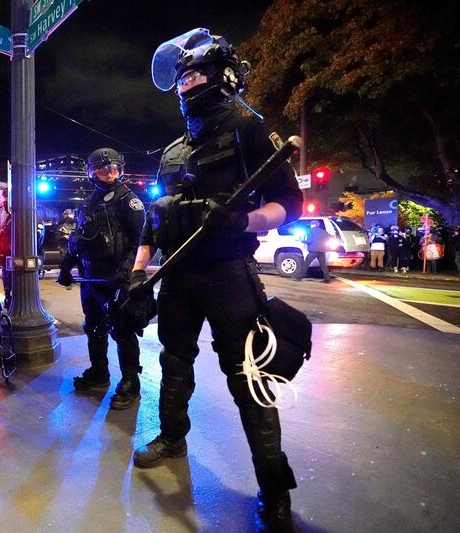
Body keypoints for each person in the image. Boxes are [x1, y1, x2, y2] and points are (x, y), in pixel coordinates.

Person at [128, 30, 304, 531]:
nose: (188, 84)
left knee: (249, 376)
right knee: (174, 358)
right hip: (179, 274)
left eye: (198, 74)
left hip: (229, 272)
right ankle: (172, 436)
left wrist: (243, 222)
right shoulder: (173, 151)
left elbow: (288, 204)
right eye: (183, 76)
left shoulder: (251, 128)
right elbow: (155, 219)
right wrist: (138, 273)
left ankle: (273, 487)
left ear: (223, 76)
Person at [56, 147, 145, 410]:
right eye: (104, 169)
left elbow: (143, 241)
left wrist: (127, 271)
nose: (110, 173)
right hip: (91, 279)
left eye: (114, 168)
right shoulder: (88, 204)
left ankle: (130, 382)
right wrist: (66, 267)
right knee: (94, 327)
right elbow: (78, 241)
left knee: (123, 330)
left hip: (117, 280)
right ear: (92, 172)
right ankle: (99, 372)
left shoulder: (129, 201)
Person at [0, 189, 12, 307]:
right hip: (6, 253)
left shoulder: (14, 217)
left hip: (12, 253)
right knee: (6, 274)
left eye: (6, 203)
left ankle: (9, 297)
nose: (4, 205)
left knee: (9, 275)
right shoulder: (6, 217)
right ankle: (8, 296)